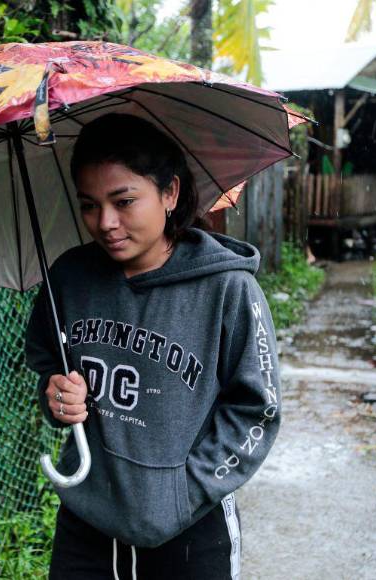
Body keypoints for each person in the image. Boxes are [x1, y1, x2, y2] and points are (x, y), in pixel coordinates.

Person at [25, 113, 282, 580]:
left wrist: (184, 493)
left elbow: (256, 411)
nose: (105, 223)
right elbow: (48, 363)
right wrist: (56, 394)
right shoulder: (68, 279)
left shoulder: (227, 289)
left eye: (124, 201)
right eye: (88, 205)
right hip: (86, 526)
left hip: (189, 535)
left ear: (170, 194)